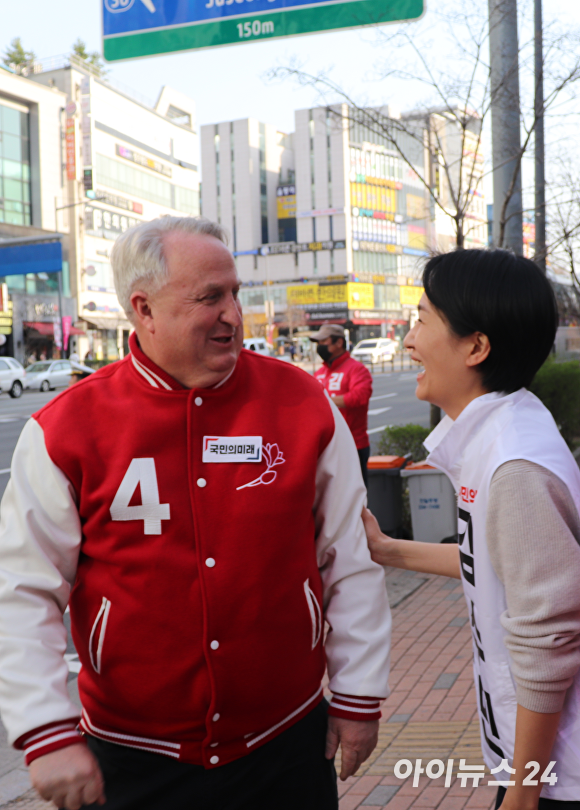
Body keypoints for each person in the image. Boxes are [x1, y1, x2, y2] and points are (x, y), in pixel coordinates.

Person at [0, 216, 391, 810]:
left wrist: (359, 695)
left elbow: (350, 559)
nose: (234, 314)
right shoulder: (65, 430)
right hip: (130, 758)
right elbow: (21, 590)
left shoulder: (303, 404)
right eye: (211, 297)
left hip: (285, 742)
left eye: (236, 293)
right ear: (144, 309)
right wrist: (45, 730)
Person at [363, 249, 580, 809]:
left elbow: (548, 639)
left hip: (558, 775)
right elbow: (489, 559)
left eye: (421, 319)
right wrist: (386, 550)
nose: (408, 341)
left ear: (476, 347)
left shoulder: (513, 467)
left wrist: (522, 795)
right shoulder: (506, 432)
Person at [310, 325, 373, 486]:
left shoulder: (356, 369)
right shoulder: (319, 373)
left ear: (339, 343)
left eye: (324, 341)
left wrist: (325, 400)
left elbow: (360, 397)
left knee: (355, 502)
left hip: (353, 446)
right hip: (325, 448)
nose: (320, 346)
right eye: (318, 342)